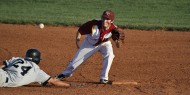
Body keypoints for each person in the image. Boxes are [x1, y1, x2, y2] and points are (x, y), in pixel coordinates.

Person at [56, 10, 125, 84]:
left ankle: (104, 78)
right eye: (104, 18)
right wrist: (77, 42)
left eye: (108, 19)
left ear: (112, 20)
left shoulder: (114, 29)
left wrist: (119, 41)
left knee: (110, 55)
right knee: (74, 63)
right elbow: (80, 31)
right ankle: (65, 74)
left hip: (104, 44)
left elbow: (118, 46)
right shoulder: (93, 24)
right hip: (89, 44)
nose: (105, 21)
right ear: (101, 18)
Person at [0, 48, 70, 87]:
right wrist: (68, 85)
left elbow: (2, 66)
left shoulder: (17, 59)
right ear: (36, 59)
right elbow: (54, 81)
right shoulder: (37, 71)